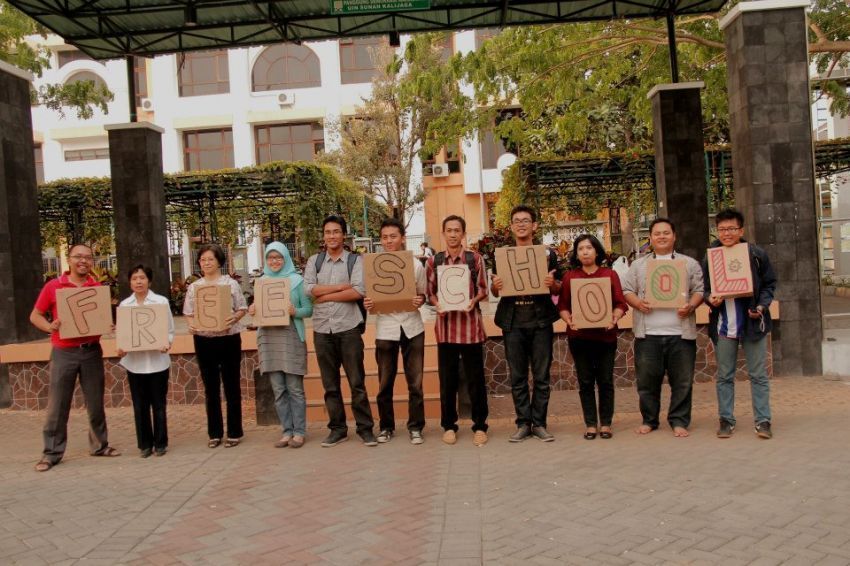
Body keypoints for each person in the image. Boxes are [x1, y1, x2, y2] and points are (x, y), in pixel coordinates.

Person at [30, 243, 121, 472]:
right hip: (64, 352)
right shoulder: (53, 287)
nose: (83, 261)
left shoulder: (96, 286)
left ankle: (100, 446)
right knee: (58, 405)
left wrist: (108, 324)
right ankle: (51, 453)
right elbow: (35, 315)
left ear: (92, 262)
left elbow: (101, 319)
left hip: (91, 350)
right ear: (69, 259)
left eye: (88, 257)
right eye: (78, 256)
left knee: (96, 402)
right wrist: (50, 327)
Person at [622, 218, 704, 437]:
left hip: (681, 333)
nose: (661, 236)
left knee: (683, 382)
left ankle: (679, 421)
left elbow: (699, 290)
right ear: (650, 238)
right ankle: (649, 420)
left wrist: (691, 306)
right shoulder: (639, 265)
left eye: (666, 232)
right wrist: (638, 303)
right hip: (648, 334)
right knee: (647, 383)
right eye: (657, 233)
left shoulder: (689, 264)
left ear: (674, 236)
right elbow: (627, 290)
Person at [702, 208, 777, 440]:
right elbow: (704, 288)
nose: (726, 233)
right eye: (722, 229)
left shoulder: (756, 254)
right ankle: (726, 419)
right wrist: (709, 298)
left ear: (741, 230)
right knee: (725, 375)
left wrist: (762, 306)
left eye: (732, 228)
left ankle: (763, 421)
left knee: (758, 375)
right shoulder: (710, 256)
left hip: (753, 324)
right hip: (725, 325)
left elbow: (769, 284)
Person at [490, 205, 562, 442]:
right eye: (516, 221)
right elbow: (495, 290)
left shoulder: (547, 254)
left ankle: (539, 423)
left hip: (541, 320)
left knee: (541, 376)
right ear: (511, 227)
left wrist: (552, 282)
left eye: (526, 220)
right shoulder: (502, 255)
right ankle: (523, 423)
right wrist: (495, 286)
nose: (521, 224)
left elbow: (558, 287)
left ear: (534, 226)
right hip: (513, 321)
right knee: (518, 376)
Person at [304, 215, 377, 447]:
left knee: (357, 382)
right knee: (330, 384)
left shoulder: (355, 261)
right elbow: (308, 289)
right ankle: (337, 429)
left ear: (343, 235)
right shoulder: (314, 261)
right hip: (322, 330)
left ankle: (365, 429)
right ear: (323, 236)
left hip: (349, 329)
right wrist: (338, 287)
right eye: (328, 232)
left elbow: (358, 291)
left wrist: (323, 295)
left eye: (336, 231)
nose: (332, 236)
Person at [426, 215, 490, 446]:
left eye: (457, 230)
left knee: (476, 380)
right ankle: (449, 426)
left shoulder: (475, 259)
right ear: (443, 234)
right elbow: (430, 292)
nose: (453, 234)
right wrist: (437, 304)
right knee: (447, 380)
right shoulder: (435, 261)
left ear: (463, 234)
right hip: (445, 330)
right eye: (449, 230)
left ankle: (480, 426)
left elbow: (483, 289)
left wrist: (473, 300)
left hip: (470, 328)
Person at [363, 218, 428, 444]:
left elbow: (422, 293)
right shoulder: (372, 266)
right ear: (380, 240)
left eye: (393, 236)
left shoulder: (416, 265)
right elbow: (370, 296)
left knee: (416, 383)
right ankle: (386, 427)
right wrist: (369, 304)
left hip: (412, 327)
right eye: (384, 237)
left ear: (402, 238)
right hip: (385, 329)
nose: (389, 241)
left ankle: (416, 427)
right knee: (384, 383)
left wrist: (420, 299)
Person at [558, 235, 628, 440]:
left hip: (606, 337)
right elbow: (562, 305)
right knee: (585, 381)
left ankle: (605, 423)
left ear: (597, 251)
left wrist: (615, 316)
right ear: (576, 254)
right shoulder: (570, 277)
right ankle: (590, 423)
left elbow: (621, 303)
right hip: (579, 337)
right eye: (581, 249)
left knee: (605, 380)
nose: (585, 252)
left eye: (589, 248)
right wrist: (568, 319)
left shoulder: (610, 274)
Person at [183, 243, 248, 448]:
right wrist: (192, 326)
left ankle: (235, 432)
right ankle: (215, 432)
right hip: (203, 340)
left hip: (228, 339)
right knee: (210, 388)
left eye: (210, 259)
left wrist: (234, 318)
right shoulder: (195, 287)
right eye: (202, 260)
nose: (206, 263)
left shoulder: (230, 284)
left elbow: (242, 308)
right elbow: (189, 313)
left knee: (231, 385)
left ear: (219, 261)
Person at [249, 242, 313, 449]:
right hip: (269, 340)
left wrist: (295, 311)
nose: (274, 261)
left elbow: (308, 309)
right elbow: (258, 311)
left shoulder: (297, 281)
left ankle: (299, 432)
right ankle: (286, 431)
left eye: (279, 257)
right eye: (270, 258)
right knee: (278, 389)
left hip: (291, 337)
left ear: (285, 258)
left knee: (294, 388)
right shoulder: (261, 282)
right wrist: (253, 310)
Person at [116, 265, 175, 458]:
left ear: (149, 280)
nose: (138, 282)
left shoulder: (160, 302)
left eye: (142, 278)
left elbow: (170, 330)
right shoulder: (125, 306)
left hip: (158, 362)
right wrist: (121, 347)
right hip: (135, 364)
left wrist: (166, 343)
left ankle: (161, 443)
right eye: (134, 278)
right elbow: (123, 334)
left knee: (158, 405)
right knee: (140, 406)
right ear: (129, 282)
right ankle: (144, 445)